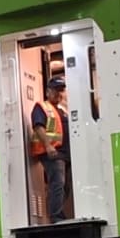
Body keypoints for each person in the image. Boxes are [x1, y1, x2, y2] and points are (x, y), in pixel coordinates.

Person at [31, 77, 70, 222]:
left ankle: (58, 213)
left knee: (63, 186)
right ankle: (56, 216)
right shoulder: (42, 107)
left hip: (64, 154)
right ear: (48, 91)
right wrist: (48, 145)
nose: (59, 94)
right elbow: (38, 126)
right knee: (57, 183)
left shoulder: (61, 110)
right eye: (55, 90)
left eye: (61, 91)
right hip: (53, 153)